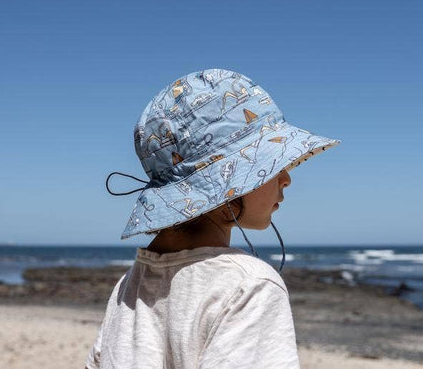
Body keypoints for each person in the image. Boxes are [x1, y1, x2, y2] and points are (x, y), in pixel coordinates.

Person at [85, 68, 340, 368]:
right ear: (228, 181)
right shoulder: (249, 287)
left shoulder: (127, 290)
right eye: (271, 164)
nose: (286, 178)